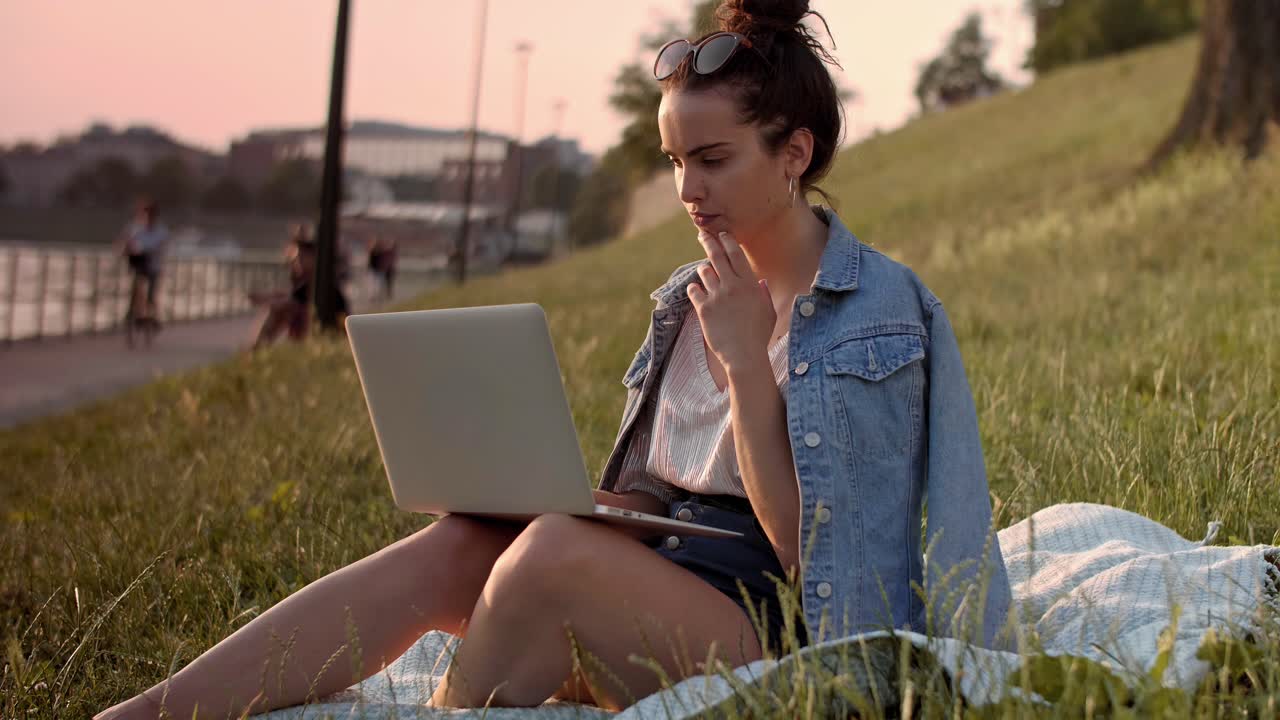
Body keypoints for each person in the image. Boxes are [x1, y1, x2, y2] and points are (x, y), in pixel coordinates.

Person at [96, 1, 1010, 717]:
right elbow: (660, 498)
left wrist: (744, 367)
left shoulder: (873, 318)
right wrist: (582, 504)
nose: (687, 190)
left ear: (793, 154)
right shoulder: (684, 299)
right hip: (677, 588)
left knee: (548, 562)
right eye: (675, 159)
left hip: (792, 638)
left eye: (715, 159)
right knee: (467, 545)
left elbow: (825, 565)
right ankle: (149, 713)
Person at [116, 198, 169, 331]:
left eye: (150, 213)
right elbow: (124, 241)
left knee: (151, 293)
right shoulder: (135, 228)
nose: (147, 216)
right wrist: (125, 248)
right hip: (138, 264)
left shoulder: (161, 231)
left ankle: (153, 316)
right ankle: (135, 313)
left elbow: (161, 247)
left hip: (153, 266)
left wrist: (149, 250)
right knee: (137, 286)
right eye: (145, 213)